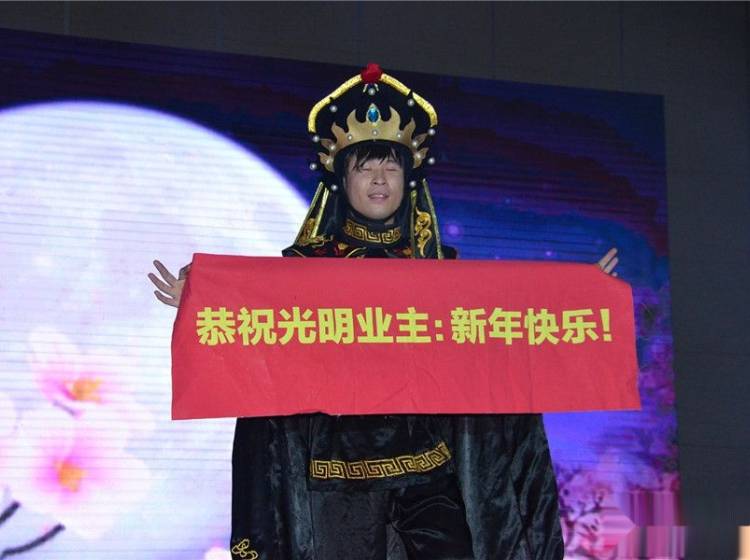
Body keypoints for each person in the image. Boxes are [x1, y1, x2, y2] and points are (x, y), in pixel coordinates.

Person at [149, 63, 619, 560]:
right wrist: (205, 299)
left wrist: (577, 295)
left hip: (430, 466)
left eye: (391, 167)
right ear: (341, 179)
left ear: (408, 178)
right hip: (336, 472)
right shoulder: (304, 271)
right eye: (364, 167)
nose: (379, 179)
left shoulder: (442, 272)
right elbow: (256, 332)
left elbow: (505, 325)